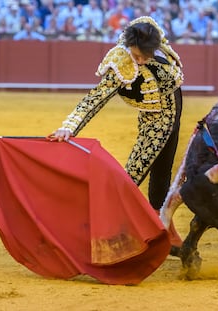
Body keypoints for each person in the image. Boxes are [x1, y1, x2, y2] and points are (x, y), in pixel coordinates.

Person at [48, 16, 184, 254]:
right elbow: (94, 99)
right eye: (137, 55)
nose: (140, 61)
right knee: (129, 181)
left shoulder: (154, 40)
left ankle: (166, 236)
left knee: (161, 179)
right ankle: (105, 240)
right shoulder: (121, 62)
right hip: (154, 124)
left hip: (174, 117)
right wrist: (69, 126)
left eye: (145, 56)